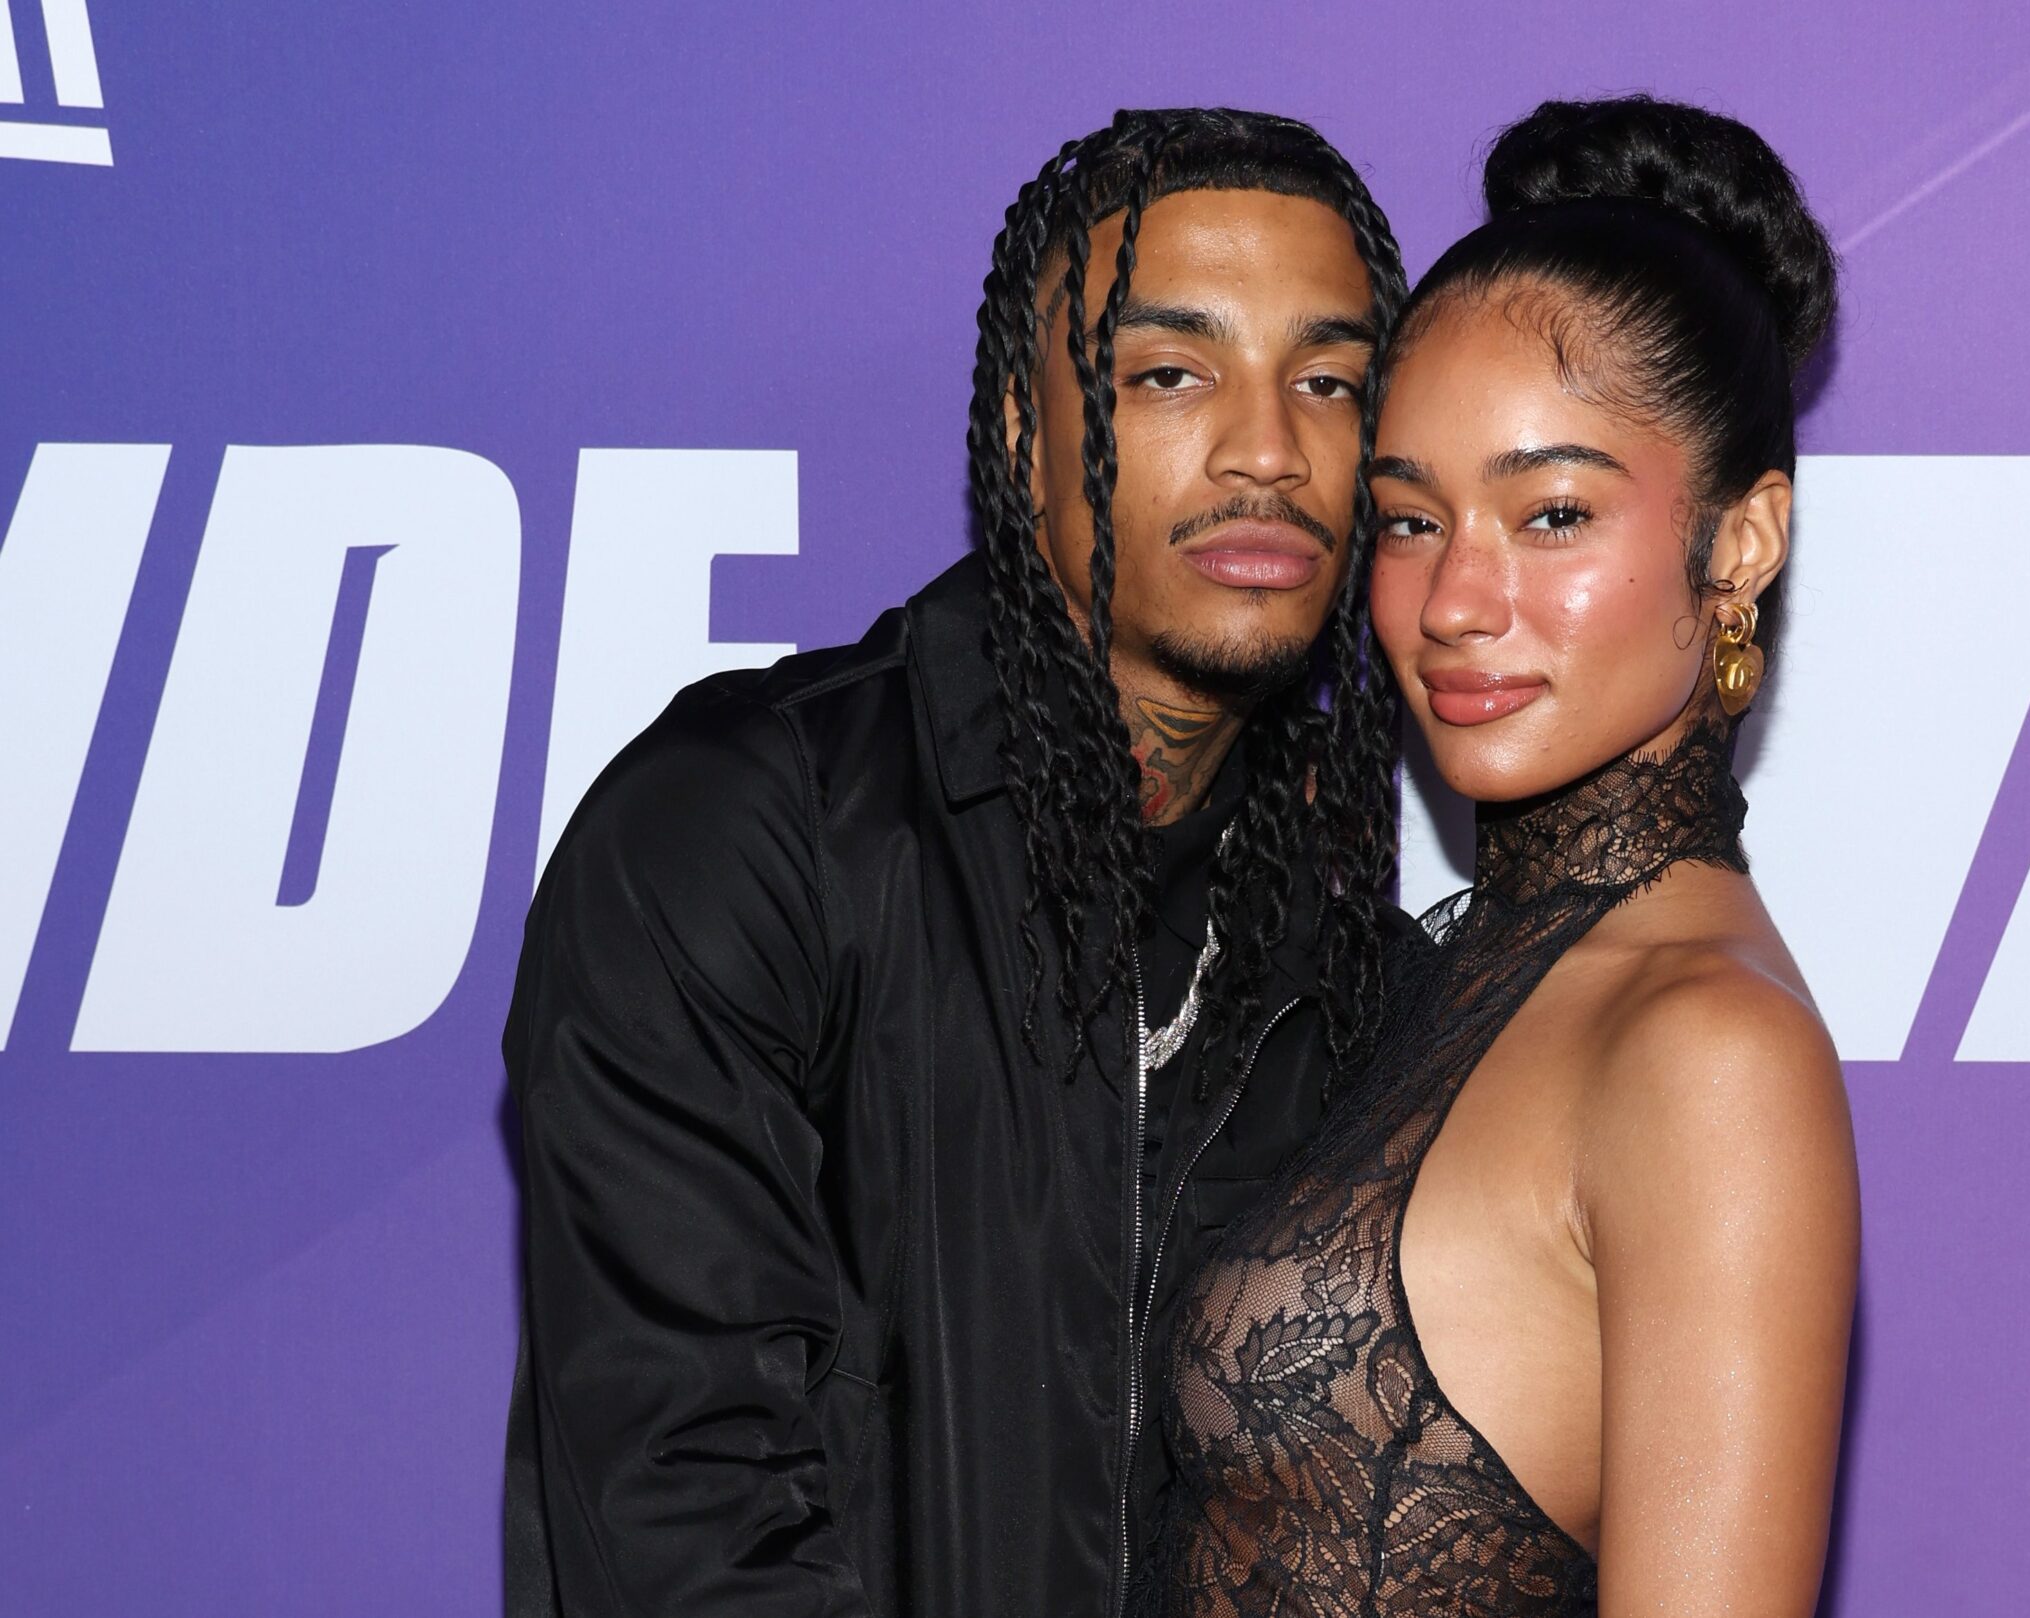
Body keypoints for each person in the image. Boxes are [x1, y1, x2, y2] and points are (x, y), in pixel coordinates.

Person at [502, 108, 1410, 1618]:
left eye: (1328, 382)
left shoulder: (1342, 934)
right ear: (1021, 431)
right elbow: (681, 1513)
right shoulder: (741, 831)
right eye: (1169, 373)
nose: (1270, 449)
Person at [1143, 96, 1860, 1615]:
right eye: (1411, 522)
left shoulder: (1706, 1052)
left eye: (1552, 512)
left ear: (1740, 542)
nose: (1457, 601)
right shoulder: (1459, 969)